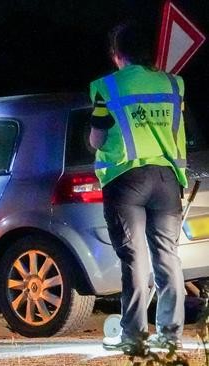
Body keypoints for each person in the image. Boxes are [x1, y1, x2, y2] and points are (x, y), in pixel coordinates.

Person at [90, 23, 188, 356]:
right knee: (167, 257)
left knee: (134, 257)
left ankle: (133, 335)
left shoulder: (108, 87)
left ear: (117, 54)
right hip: (167, 178)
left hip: (125, 180)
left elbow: (97, 138)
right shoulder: (174, 84)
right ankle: (170, 335)